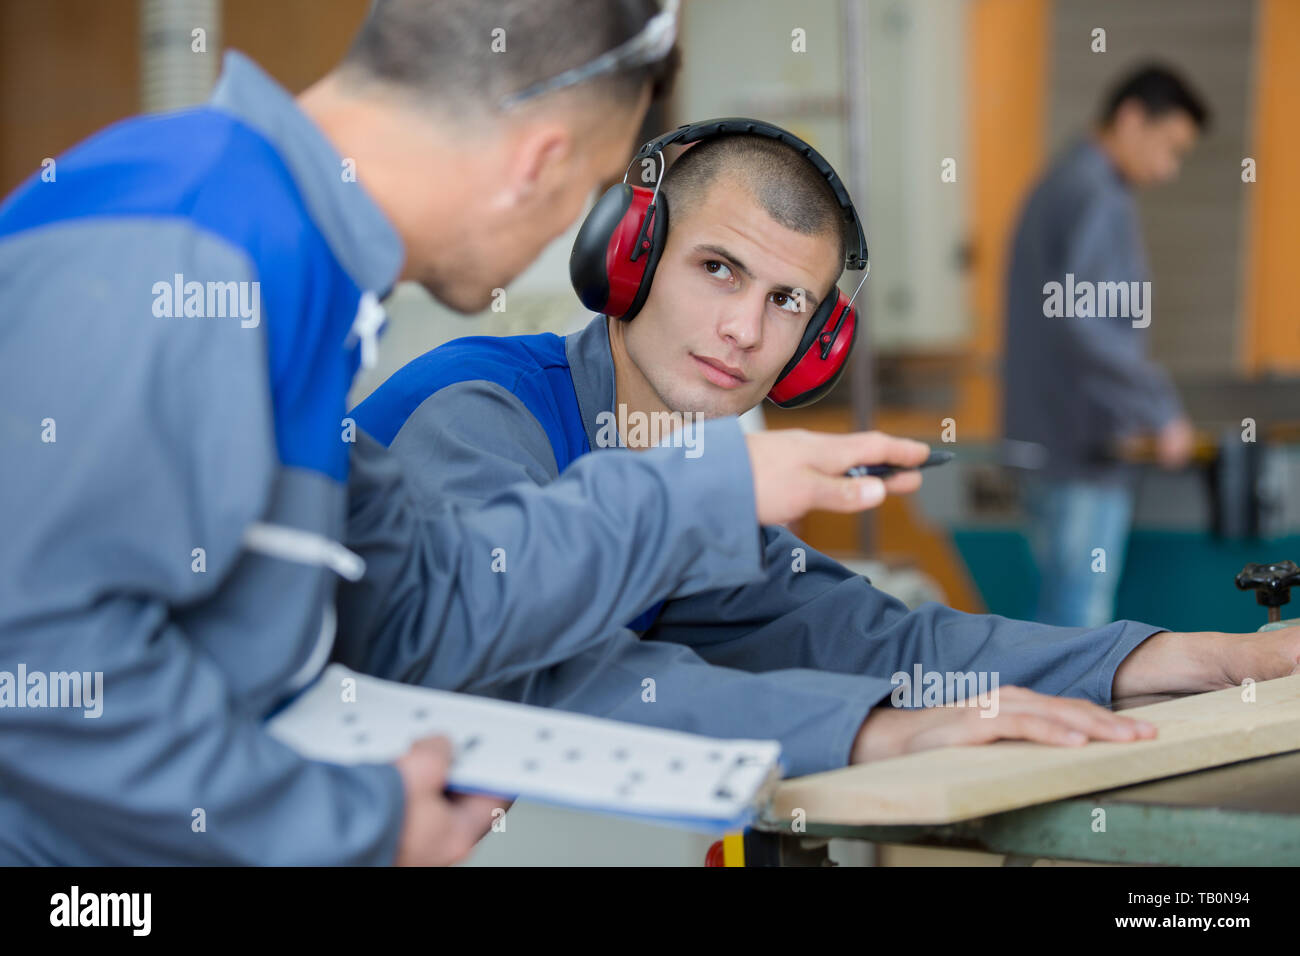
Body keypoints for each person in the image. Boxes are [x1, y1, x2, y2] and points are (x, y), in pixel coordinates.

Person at [0, 0, 922, 866]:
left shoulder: (280, 260)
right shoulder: (189, 247)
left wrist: (707, 497)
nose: (585, 233)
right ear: (540, 161)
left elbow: (416, 594)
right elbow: (42, 676)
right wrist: (356, 826)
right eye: (595, 186)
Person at [352, 124, 1300, 778]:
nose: (741, 331)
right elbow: (530, 676)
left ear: (814, 349)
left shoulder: (682, 481)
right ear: (630, 256)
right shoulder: (479, 411)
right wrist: (879, 734)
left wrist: (1194, 659)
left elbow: (881, 638)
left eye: (785, 302)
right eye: (718, 268)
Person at [1002, 64, 1208, 627]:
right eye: (1169, 147)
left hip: (1051, 443)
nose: (1168, 169)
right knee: (1077, 631)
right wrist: (1160, 409)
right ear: (1131, 117)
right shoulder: (1096, 195)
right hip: (1081, 452)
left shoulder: (1060, 183)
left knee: (1053, 622)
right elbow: (1084, 324)